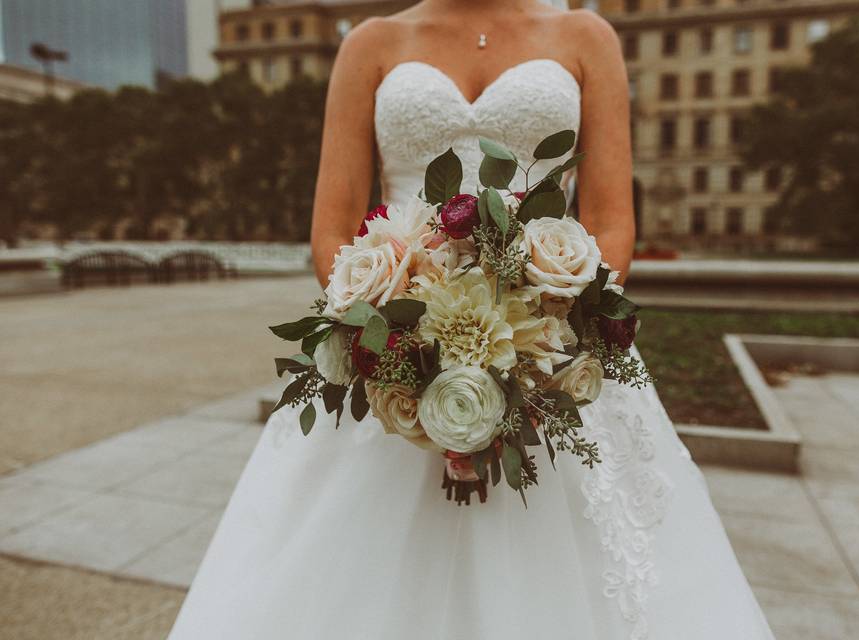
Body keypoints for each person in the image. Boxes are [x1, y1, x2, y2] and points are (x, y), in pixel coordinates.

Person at [168, 1, 775, 638]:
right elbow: (333, 227)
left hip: (551, 345)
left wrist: (549, 323)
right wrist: (397, 338)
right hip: (393, 351)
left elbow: (612, 220)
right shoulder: (370, 43)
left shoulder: (585, 35)